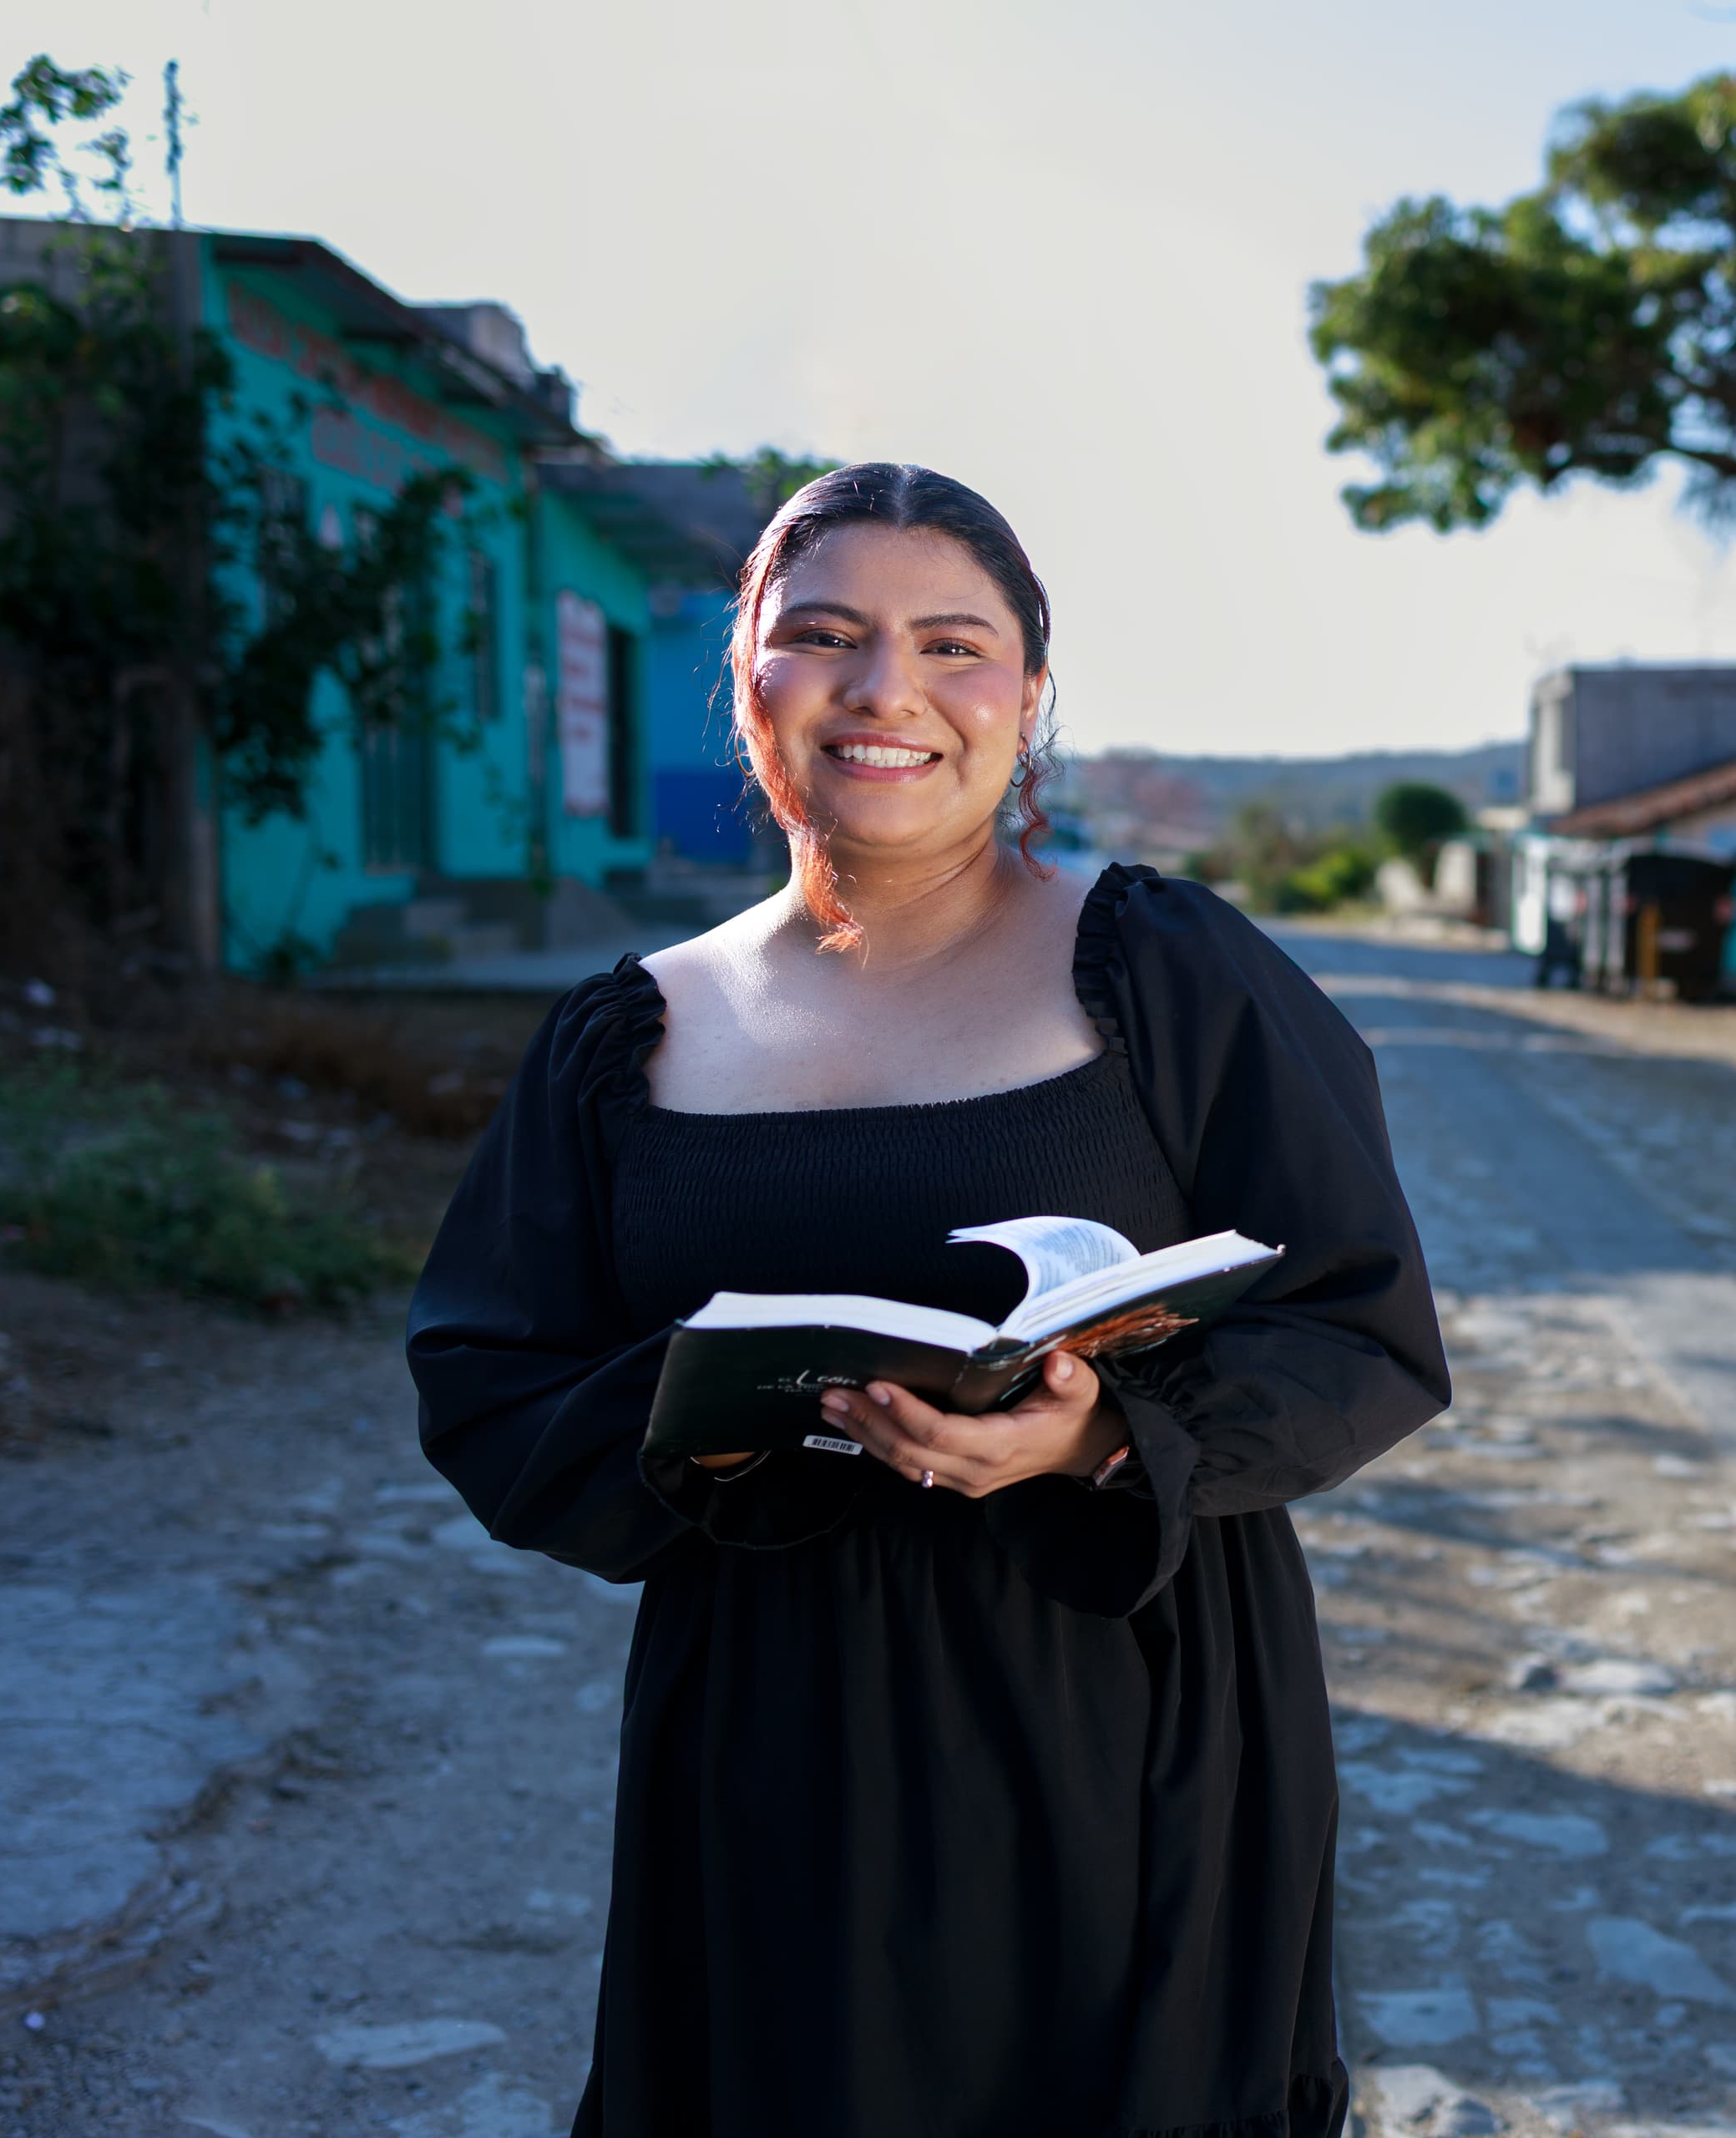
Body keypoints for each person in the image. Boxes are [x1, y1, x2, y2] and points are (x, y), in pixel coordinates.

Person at [407, 464, 1448, 2137]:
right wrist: (718, 1412)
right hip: (771, 1723)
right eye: (822, 634)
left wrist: (1104, 1431)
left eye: (951, 644)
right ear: (746, 676)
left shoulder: (1165, 967)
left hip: (1130, 1702)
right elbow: (489, 1375)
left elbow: (1361, 1319)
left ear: (1027, 696)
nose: (886, 690)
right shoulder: (627, 1032)